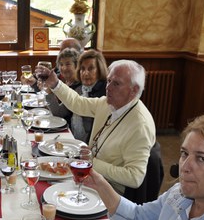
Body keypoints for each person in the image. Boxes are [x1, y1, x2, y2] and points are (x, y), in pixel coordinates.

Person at [38, 59, 156, 194]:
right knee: (46, 177)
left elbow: (135, 177)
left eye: (116, 83)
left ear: (134, 90)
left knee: (49, 190)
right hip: (89, 174)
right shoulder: (108, 103)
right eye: (109, 80)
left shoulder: (140, 126)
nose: (108, 87)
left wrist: (92, 162)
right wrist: (55, 83)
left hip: (110, 190)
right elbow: (78, 103)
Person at [46, 49, 107, 143]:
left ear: (100, 70)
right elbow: (59, 113)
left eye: (91, 69)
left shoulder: (104, 94)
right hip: (74, 141)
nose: (85, 73)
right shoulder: (80, 89)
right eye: (82, 69)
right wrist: (49, 93)